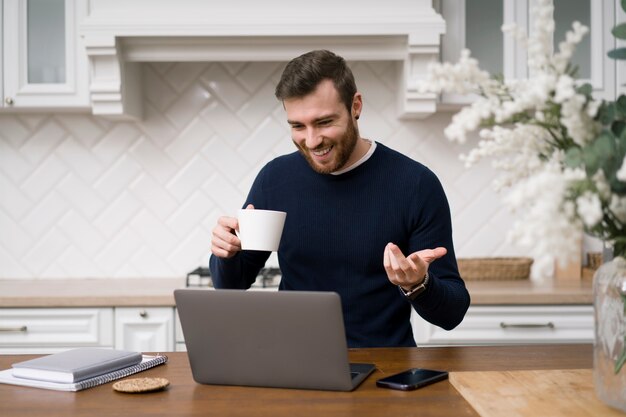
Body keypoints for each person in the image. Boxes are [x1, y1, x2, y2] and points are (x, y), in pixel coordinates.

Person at [209, 49, 470, 348]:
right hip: (294, 363)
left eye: (323, 122)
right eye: (297, 126)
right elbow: (232, 285)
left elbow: (452, 313)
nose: (311, 140)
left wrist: (418, 285)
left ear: (355, 106)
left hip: (385, 368)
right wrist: (225, 254)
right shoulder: (275, 179)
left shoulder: (415, 184)